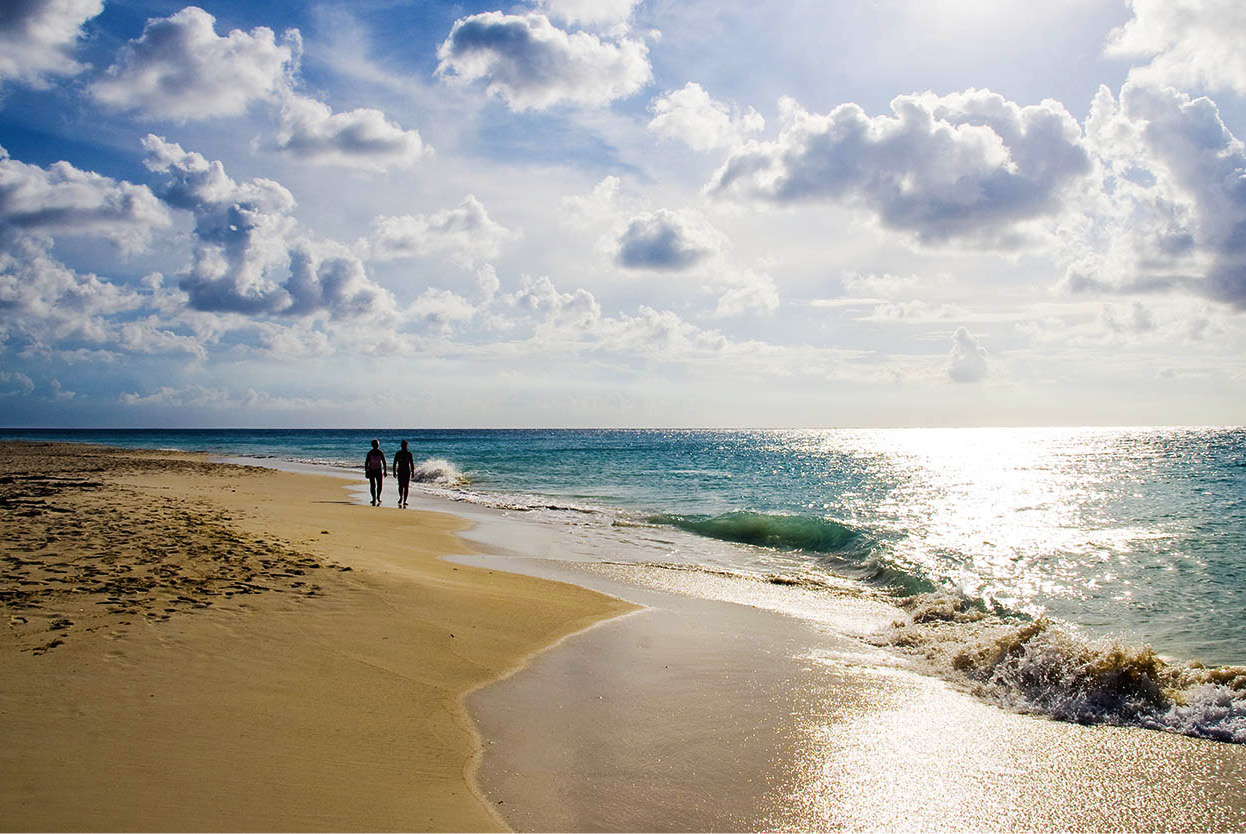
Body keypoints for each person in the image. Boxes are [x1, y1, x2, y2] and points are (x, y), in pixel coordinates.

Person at [364, 439, 387, 506]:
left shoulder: (380, 452)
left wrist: (385, 471)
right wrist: (366, 471)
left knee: (380, 485)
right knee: (372, 485)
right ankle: (373, 498)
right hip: (371, 470)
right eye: (375, 444)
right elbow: (366, 462)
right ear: (372, 445)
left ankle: (378, 497)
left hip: (379, 470)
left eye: (377, 444)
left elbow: (384, 462)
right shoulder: (370, 453)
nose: (376, 445)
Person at [393, 440, 415, 508]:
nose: (404, 446)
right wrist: (394, 471)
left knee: (406, 486)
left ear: (407, 445)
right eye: (403, 445)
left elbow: (411, 463)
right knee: (400, 486)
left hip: (407, 471)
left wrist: (413, 472)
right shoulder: (398, 453)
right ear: (401, 446)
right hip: (400, 471)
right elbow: (394, 463)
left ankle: (405, 500)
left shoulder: (409, 454)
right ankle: (401, 497)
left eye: (405, 445)